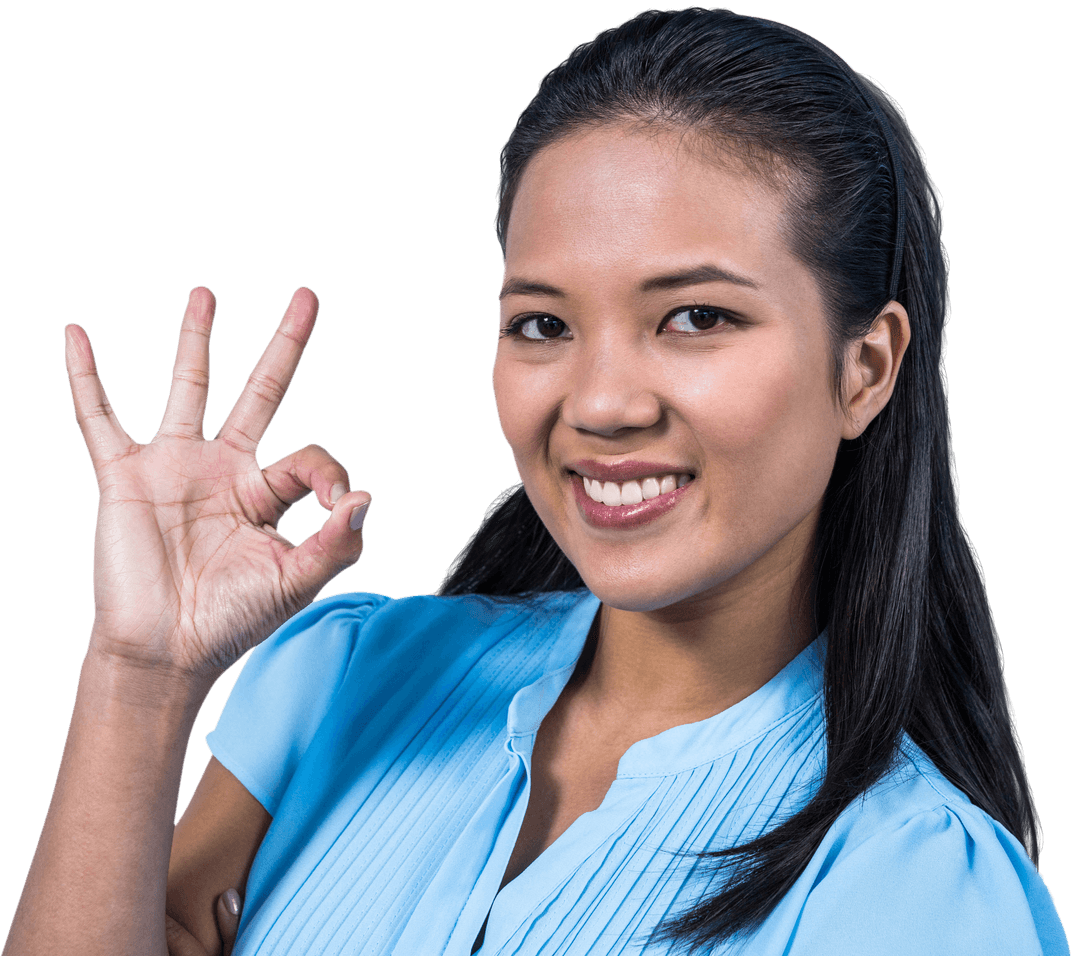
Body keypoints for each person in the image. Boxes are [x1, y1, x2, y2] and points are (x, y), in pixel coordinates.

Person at [3, 7, 1068, 955]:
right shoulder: (350, 676)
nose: (601, 402)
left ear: (865, 367)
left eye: (697, 316)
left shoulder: (913, 886)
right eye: (543, 324)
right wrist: (139, 675)